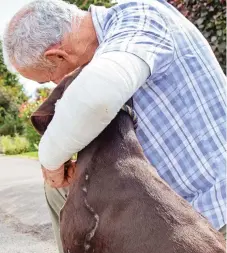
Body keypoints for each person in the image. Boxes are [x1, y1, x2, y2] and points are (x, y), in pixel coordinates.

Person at [3, 0, 226, 252]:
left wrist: (50, 159)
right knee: (59, 191)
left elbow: (96, 99)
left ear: (56, 55)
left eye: (49, 77)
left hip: (213, 219)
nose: (55, 84)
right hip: (172, 221)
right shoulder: (112, 48)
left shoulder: (140, 16)